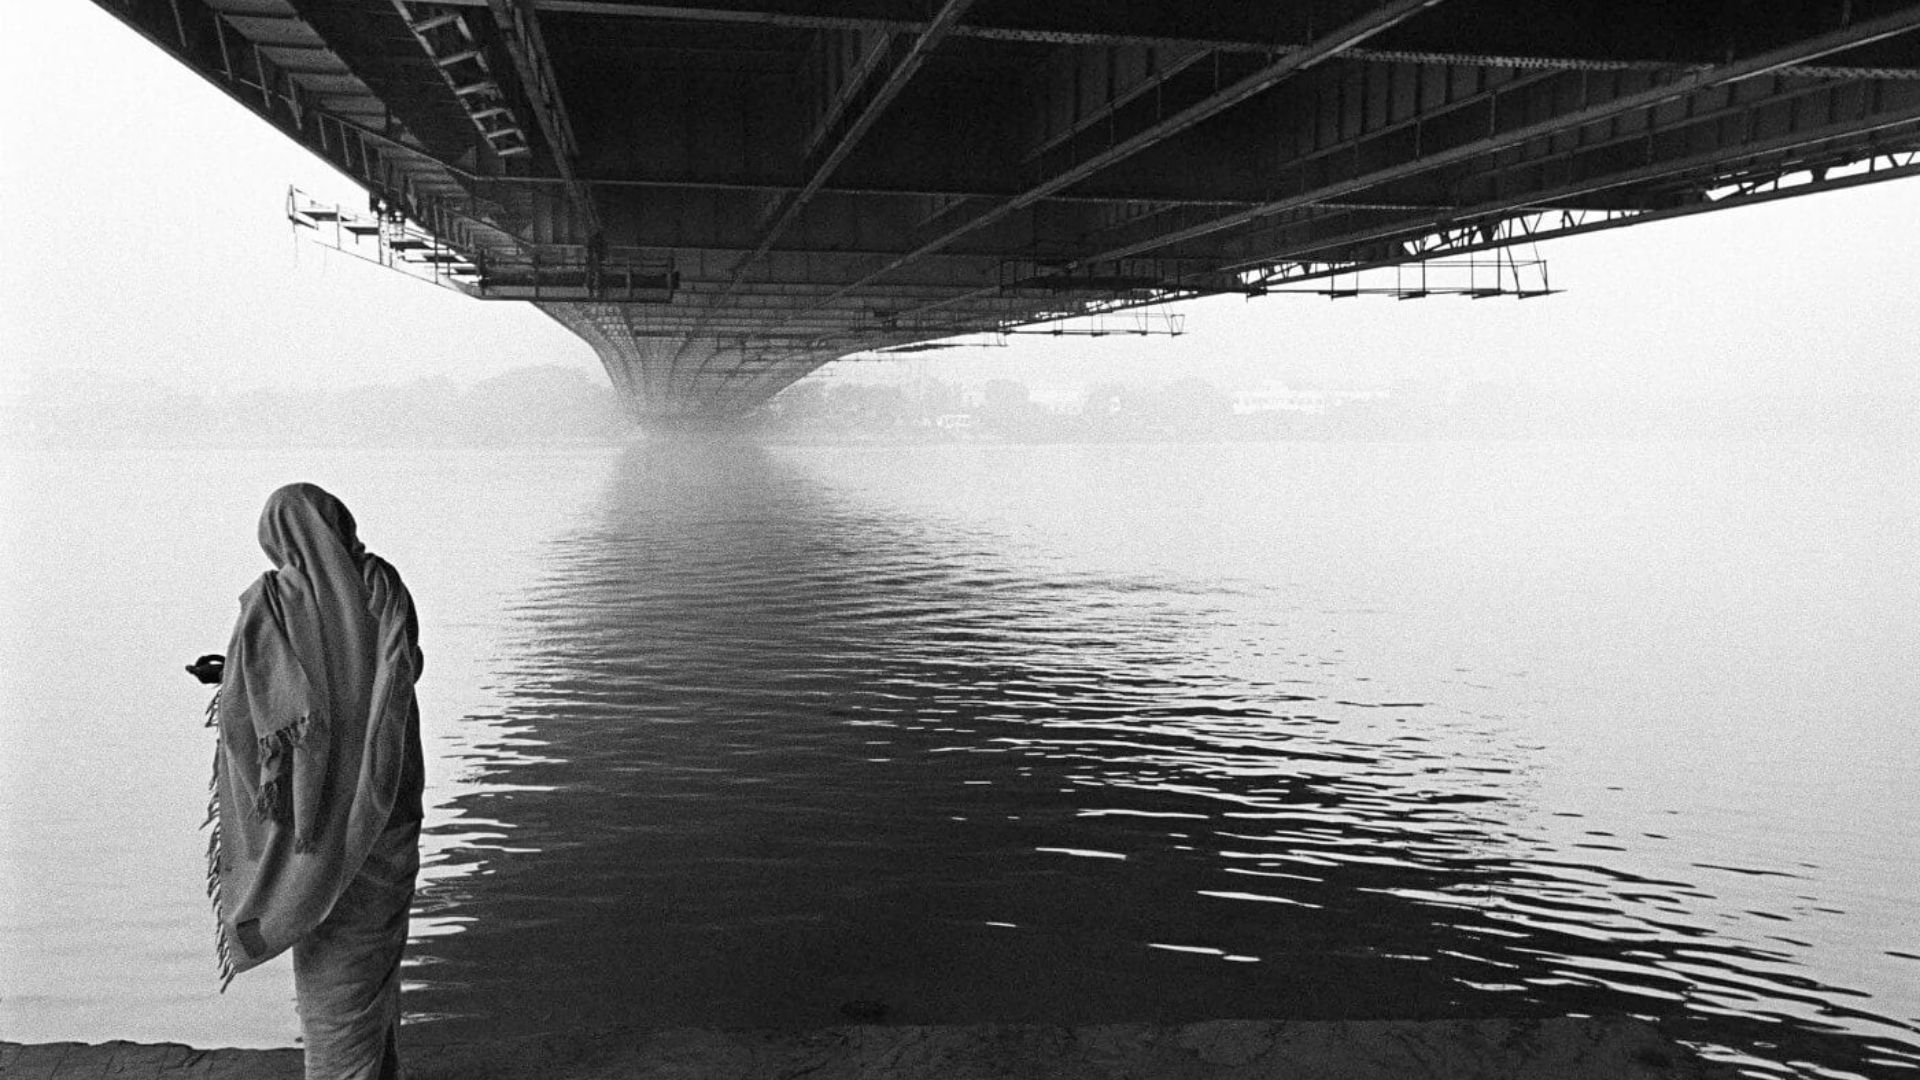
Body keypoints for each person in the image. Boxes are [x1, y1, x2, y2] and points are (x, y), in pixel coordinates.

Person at [191, 483, 425, 1080]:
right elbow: (405, 669)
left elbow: (269, 700)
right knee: (376, 960)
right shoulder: (380, 584)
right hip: (389, 803)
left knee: (331, 975)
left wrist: (228, 677)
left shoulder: (270, 601)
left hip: (316, 824)